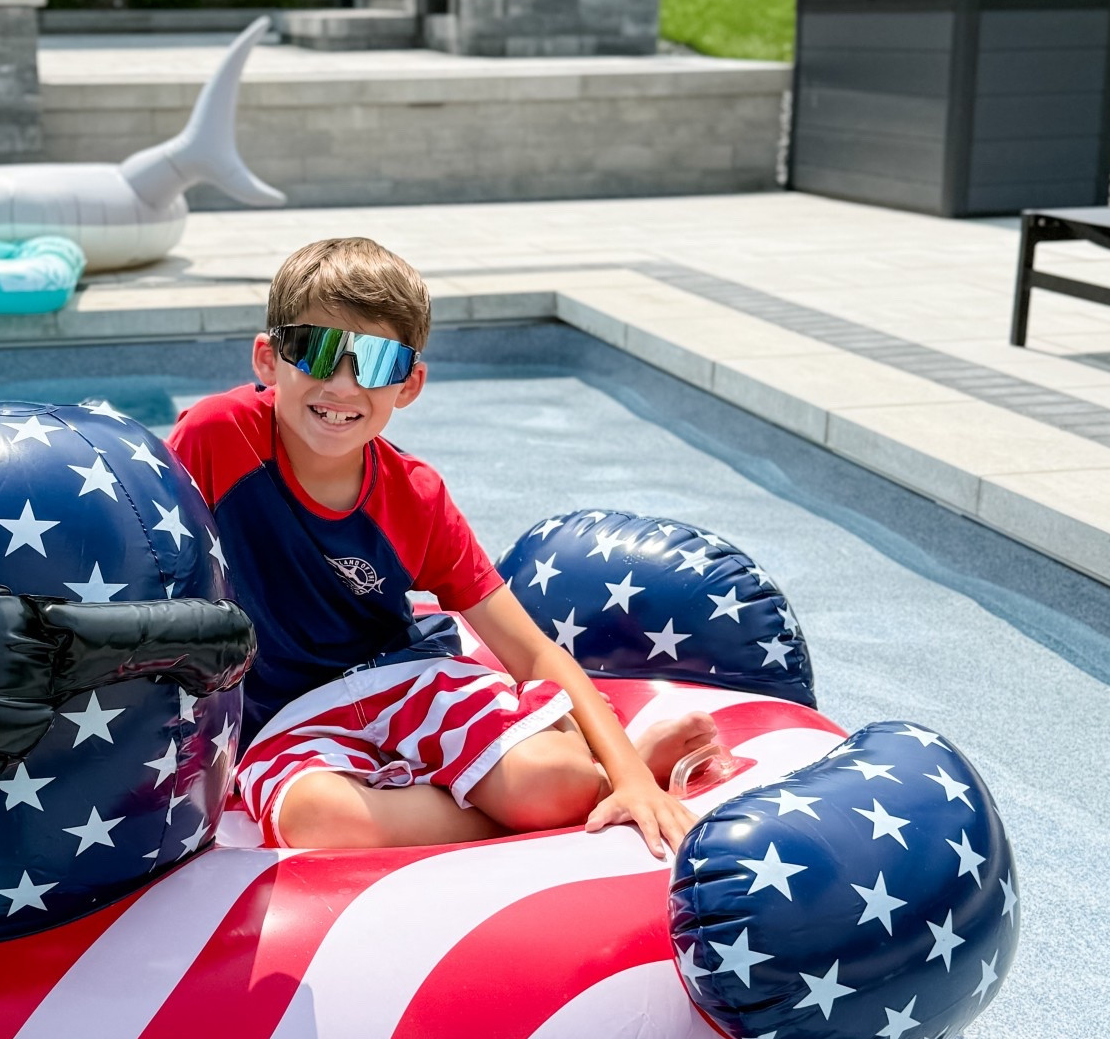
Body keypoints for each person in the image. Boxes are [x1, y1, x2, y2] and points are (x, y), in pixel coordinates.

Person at [167, 236, 714, 855]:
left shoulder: (415, 497)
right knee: (317, 822)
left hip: (407, 681)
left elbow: (531, 650)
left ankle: (587, 775)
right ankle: (568, 794)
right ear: (268, 360)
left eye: (376, 363)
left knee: (551, 782)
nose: (341, 385)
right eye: (316, 351)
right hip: (287, 719)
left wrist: (633, 779)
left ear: (410, 384)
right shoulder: (218, 438)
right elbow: (141, 551)